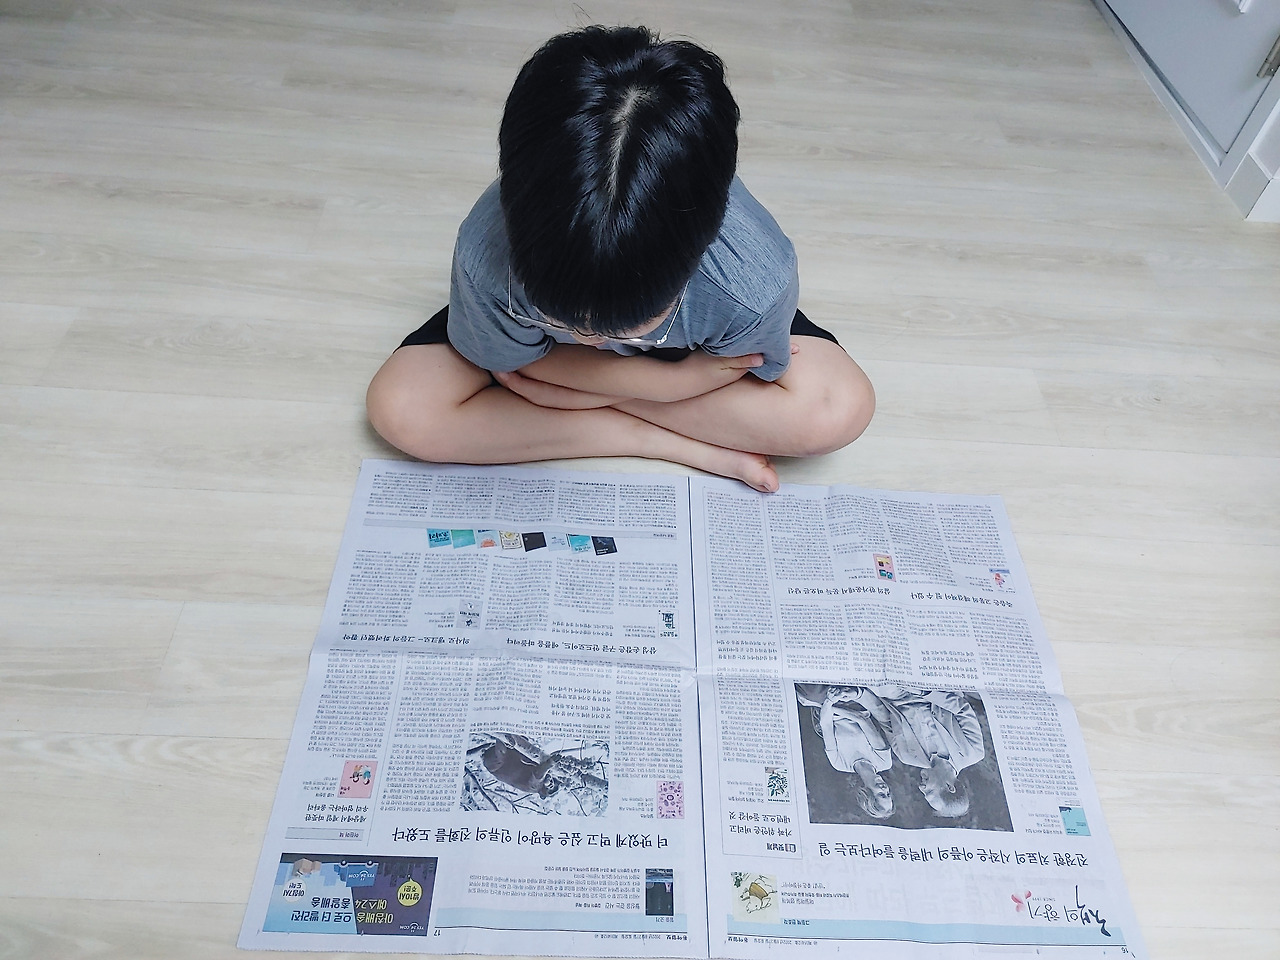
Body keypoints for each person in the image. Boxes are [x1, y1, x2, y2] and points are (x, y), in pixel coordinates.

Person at [366, 25, 874, 493]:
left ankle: (602, 411)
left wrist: (572, 391)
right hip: (561, 338)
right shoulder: (486, 259)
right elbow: (512, 364)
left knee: (839, 409)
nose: (593, 339)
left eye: (623, 327)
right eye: (567, 320)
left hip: (628, 353)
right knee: (401, 409)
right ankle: (652, 439)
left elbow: (738, 370)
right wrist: (670, 386)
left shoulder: (750, 285)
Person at [869, 684, 985, 818]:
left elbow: (883, 717)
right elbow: (962, 709)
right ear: (949, 787)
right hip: (935, 688)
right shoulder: (973, 752)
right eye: (929, 792)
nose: (921, 787)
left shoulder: (906, 757)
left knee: (880, 686)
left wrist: (859, 695)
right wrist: (923, 691)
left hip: (894, 696)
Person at [797, 685, 895, 819]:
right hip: (856, 704)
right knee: (814, 696)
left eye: (881, 794)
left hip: (828, 709)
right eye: (888, 793)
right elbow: (862, 719)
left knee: (811, 693)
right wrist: (827, 705)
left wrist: (829, 702)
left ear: (867, 793)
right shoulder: (884, 762)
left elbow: (826, 725)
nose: (885, 789)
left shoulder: (839, 764)